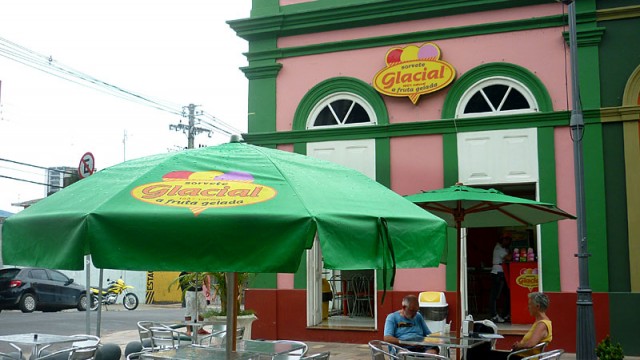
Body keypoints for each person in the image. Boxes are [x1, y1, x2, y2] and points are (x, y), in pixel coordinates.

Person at [467, 292, 552, 360]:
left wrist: (519, 345)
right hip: (518, 355)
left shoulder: (542, 324)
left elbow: (530, 344)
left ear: (537, 306)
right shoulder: (540, 322)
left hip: (521, 358)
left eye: (530, 304)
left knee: (482, 354)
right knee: (482, 353)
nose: (528, 307)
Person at [179, 271, 211, 336]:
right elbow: (182, 282)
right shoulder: (185, 272)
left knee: (202, 310)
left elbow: (206, 280)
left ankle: (200, 328)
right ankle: (188, 330)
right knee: (189, 311)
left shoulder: (201, 270)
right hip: (190, 292)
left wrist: (208, 289)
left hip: (200, 291)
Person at [490, 233, 512, 323]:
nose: (508, 242)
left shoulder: (503, 248)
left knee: (507, 295)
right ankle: (494, 315)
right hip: (497, 274)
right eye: (506, 240)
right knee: (494, 296)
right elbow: (509, 257)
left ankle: (504, 314)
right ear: (502, 240)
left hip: (502, 273)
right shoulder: (498, 248)